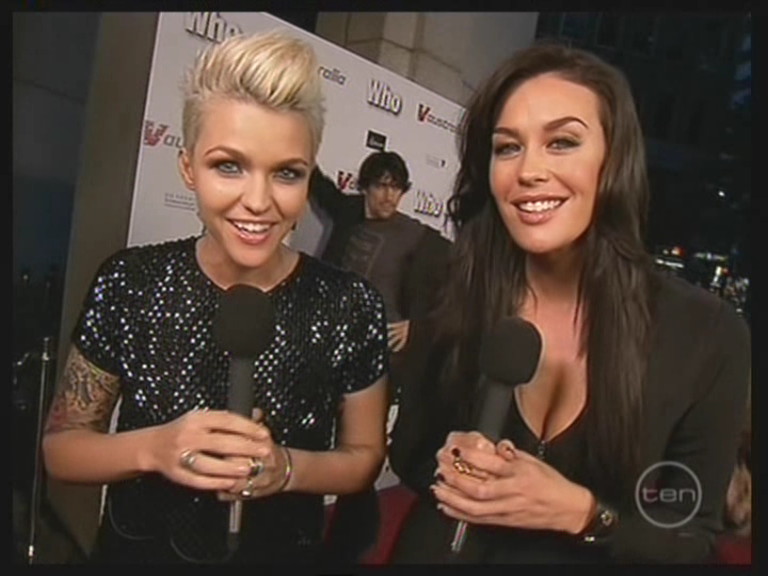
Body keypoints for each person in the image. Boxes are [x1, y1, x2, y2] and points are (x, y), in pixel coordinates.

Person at [388, 41, 751, 564]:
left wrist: (582, 513)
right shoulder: (448, 284)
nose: (528, 170)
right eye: (507, 147)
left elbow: (692, 538)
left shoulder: (707, 333)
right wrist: (448, 467)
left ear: (613, 161)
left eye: (561, 142)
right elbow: (410, 452)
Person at [41, 30, 389, 565]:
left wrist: (287, 468)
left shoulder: (349, 304)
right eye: (229, 165)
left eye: (287, 173)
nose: (258, 201)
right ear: (188, 167)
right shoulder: (131, 282)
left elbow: (363, 459)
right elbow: (62, 449)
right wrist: (154, 448)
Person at [309, 153, 450, 563]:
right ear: (365, 186)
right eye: (382, 185)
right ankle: (345, 528)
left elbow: (461, 287)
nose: (389, 196)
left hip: (378, 361)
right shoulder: (348, 212)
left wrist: (418, 326)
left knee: (360, 447)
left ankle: (351, 537)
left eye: (397, 187)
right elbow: (316, 182)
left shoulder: (419, 237)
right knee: (320, 442)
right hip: (331, 348)